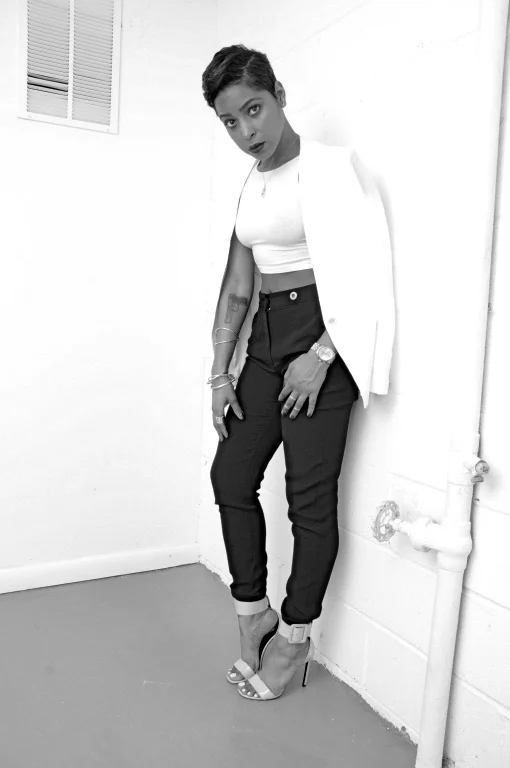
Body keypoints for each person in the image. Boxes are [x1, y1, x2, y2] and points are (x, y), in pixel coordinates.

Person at [201, 44, 395, 702]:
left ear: (279, 95)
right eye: (231, 121)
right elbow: (237, 287)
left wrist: (323, 355)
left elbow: (371, 268)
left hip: (322, 340)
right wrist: (220, 373)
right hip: (264, 340)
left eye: (254, 109)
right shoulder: (250, 186)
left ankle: (293, 639)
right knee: (231, 476)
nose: (246, 131)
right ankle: (252, 612)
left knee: (307, 503)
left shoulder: (333, 168)